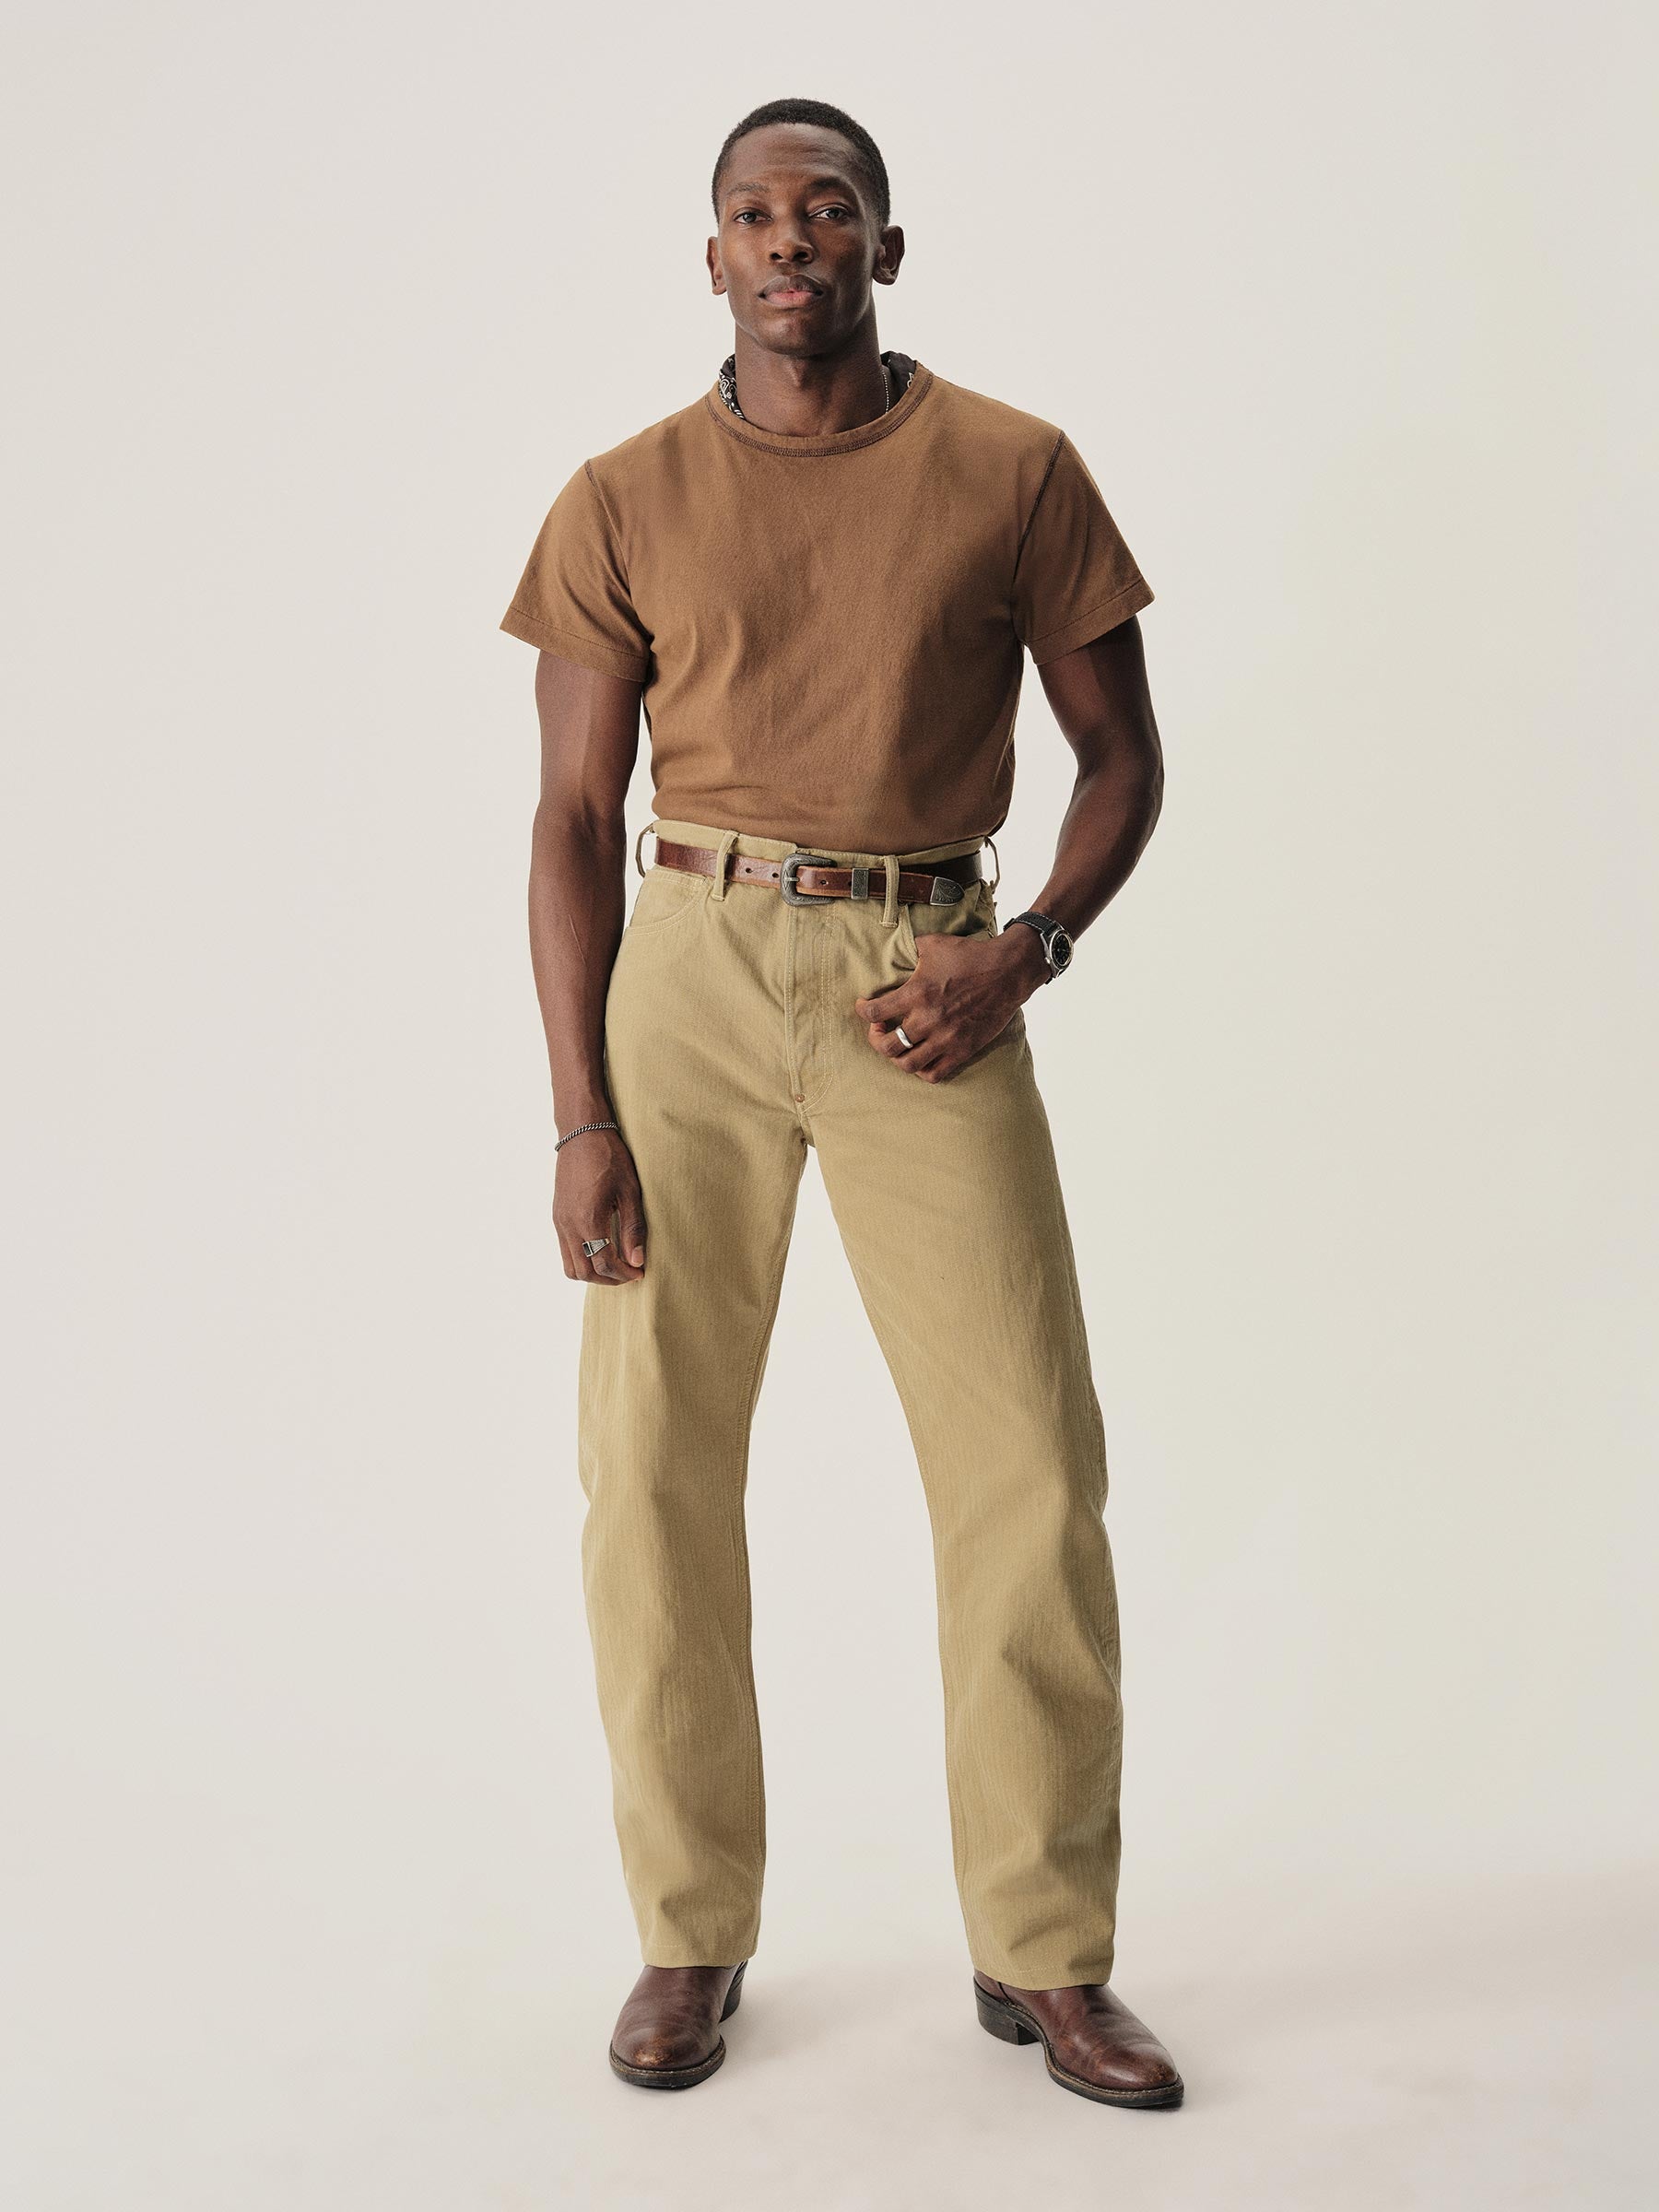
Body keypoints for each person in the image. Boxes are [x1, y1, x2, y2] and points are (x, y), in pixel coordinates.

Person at [500, 95, 1182, 2110]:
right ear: (711, 255)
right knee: (652, 1466)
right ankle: (688, 1931)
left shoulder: (1013, 469)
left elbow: (1126, 761)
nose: (790, 238)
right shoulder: (622, 495)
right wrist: (580, 1115)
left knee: (1027, 1465)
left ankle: (1046, 1952)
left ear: (887, 245)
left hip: (929, 978)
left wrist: (1024, 949)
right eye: (754, 212)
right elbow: (567, 816)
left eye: (828, 208)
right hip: (691, 975)